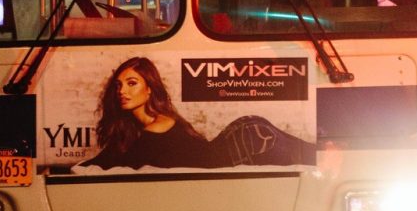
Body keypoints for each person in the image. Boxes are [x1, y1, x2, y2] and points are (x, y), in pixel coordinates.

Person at [80, 57, 316, 170]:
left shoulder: (157, 127)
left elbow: (118, 163)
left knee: (318, 159)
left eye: (132, 83)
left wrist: (79, 170)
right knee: (315, 155)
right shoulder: (141, 129)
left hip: (247, 142)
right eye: (118, 85)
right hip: (244, 135)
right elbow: (107, 158)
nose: (123, 91)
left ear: (150, 88)